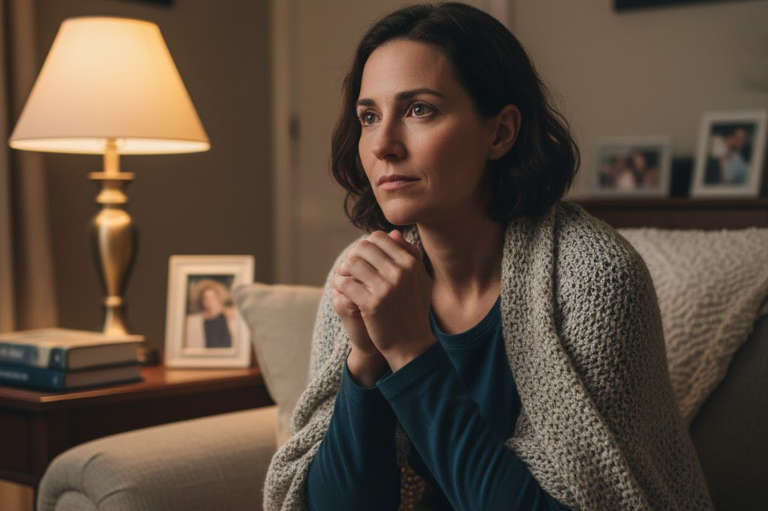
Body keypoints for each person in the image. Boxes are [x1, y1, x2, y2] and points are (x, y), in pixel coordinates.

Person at [264, 3, 713, 510]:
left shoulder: (596, 280)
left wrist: (412, 353)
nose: (384, 144)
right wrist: (365, 360)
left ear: (500, 132)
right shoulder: (363, 274)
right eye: (369, 116)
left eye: (419, 110)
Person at [185, 278, 237, 349]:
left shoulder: (231, 316)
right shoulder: (194, 321)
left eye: (213, 297)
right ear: (202, 301)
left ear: (219, 297)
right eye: (206, 298)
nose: (210, 301)